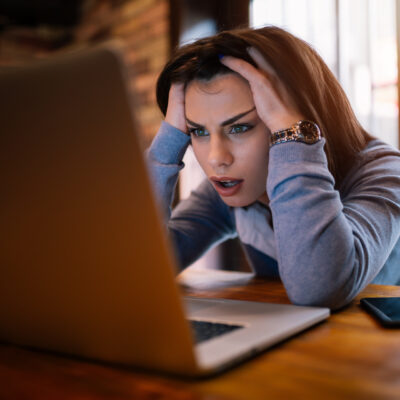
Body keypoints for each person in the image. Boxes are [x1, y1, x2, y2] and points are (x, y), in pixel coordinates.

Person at [147, 26, 400, 310]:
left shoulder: (385, 172)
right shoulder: (232, 183)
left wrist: (293, 133)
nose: (217, 158)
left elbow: (319, 290)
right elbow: (142, 270)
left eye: (240, 127)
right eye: (198, 132)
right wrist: (167, 142)